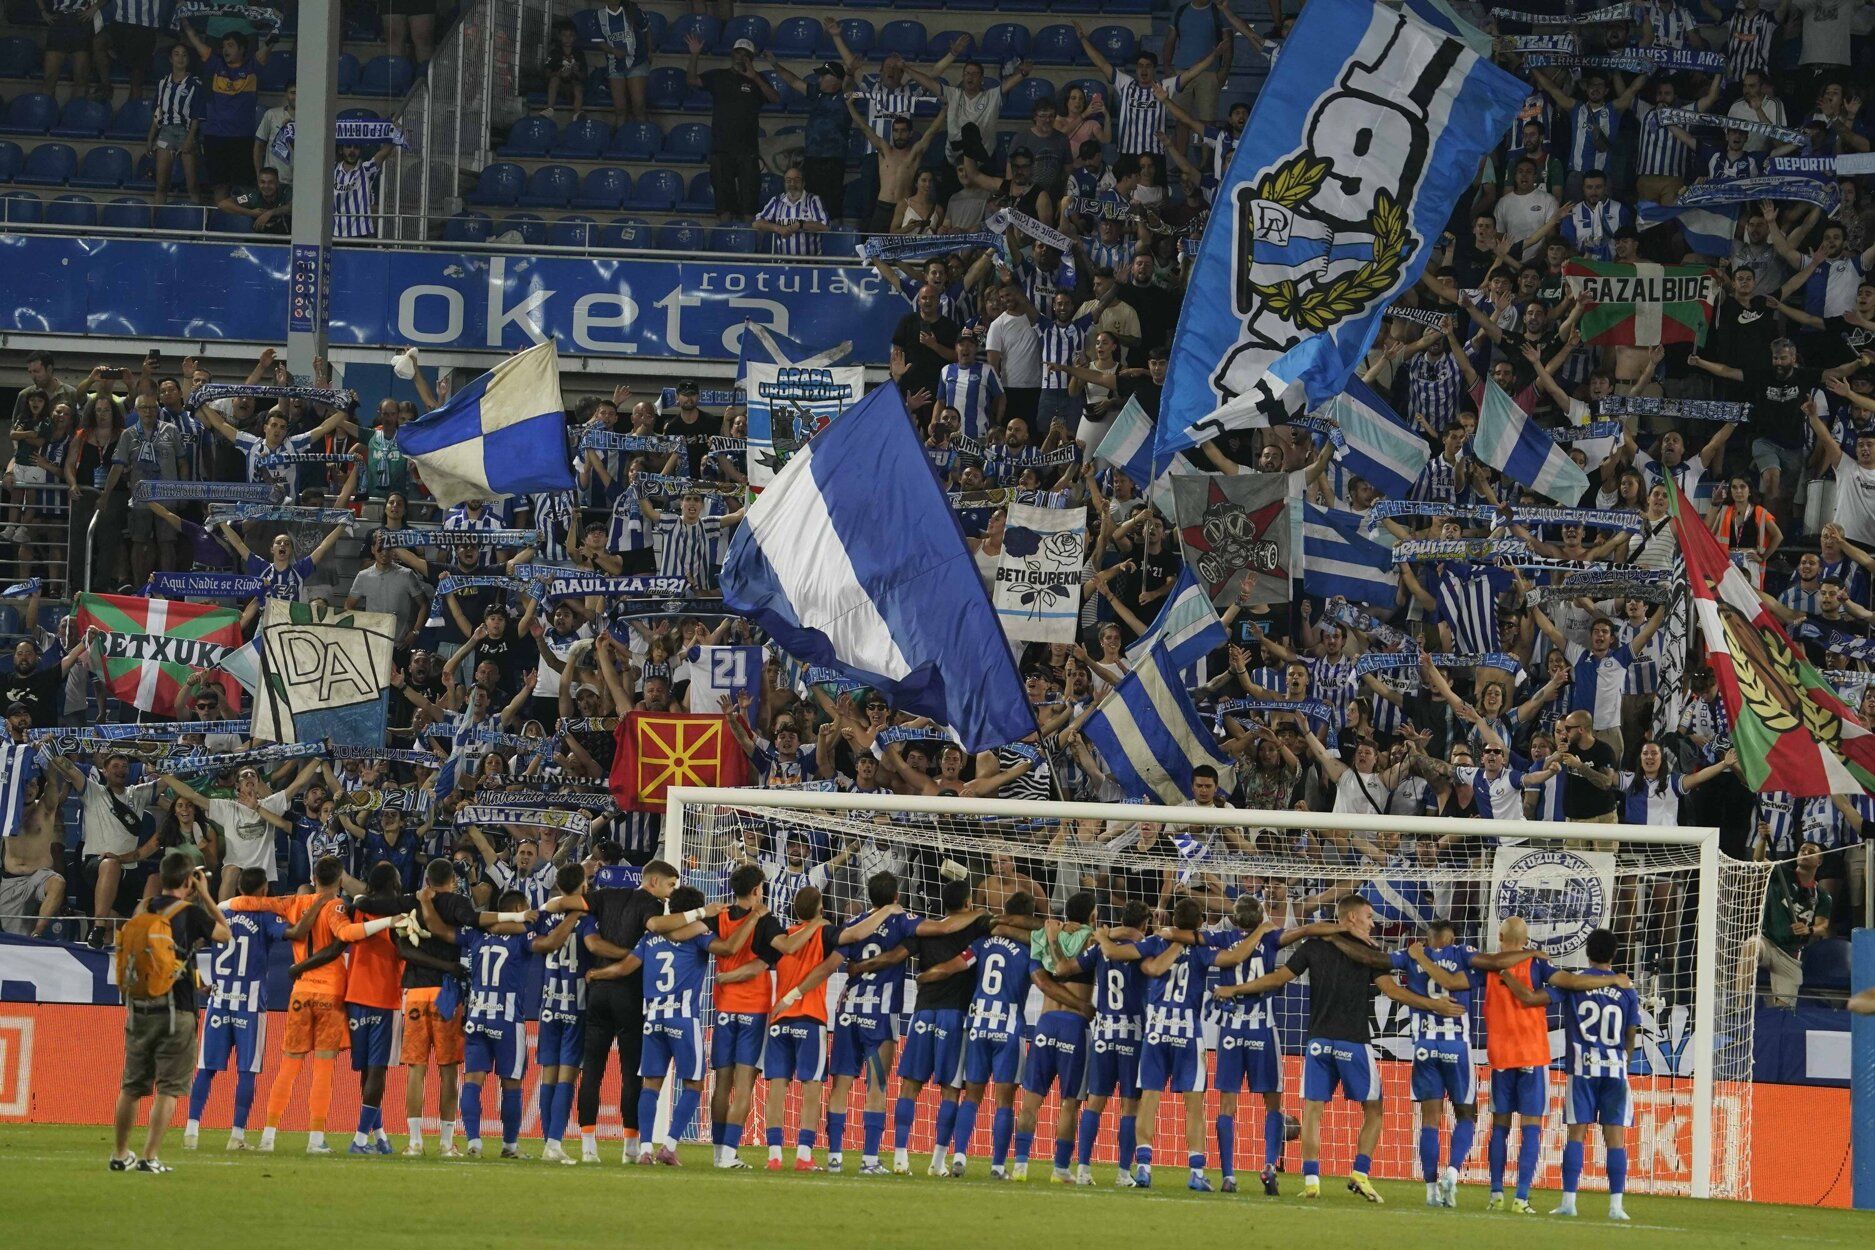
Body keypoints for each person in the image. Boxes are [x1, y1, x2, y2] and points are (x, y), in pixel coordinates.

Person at [1220, 894, 1454, 1202]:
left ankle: (1312, 1181)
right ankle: (1360, 1174)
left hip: (1318, 1042)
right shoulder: (1369, 952)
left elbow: (1277, 979)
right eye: (1369, 917)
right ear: (1352, 917)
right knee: (1374, 1110)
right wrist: (1433, 1005)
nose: (1372, 924)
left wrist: (1235, 988)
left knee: (1312, 1111)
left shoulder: (1314, 946)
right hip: (1353, 1041)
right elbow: (1392, 991)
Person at [1499, 928, 1641, 1220]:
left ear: (1587, 952)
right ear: (1614, 954)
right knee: (1615, 1138)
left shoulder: (1574, 984)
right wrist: (1622, 1063)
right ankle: (1616, 1207)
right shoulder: (1627, 989)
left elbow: (1530, 998)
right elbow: (1631, 1035)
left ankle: (1569, 1202)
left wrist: (1507, 976)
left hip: (1582, 1068)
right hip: (1615, 1069)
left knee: (1576, 1135)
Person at [110, 853, 229, 1174]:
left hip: (139, 1007)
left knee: (131, 1087)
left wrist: (198, 981)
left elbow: (169, 957)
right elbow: (224, 933)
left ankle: (120, 1154)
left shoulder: (143, 909)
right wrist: (205, 894)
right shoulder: (190, 912)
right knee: (168, 1088)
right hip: (177, 1011)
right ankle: (149, 1157)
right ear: (189, 880)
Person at [825, 872, 924, 1174]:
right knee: (877, 1086)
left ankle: (834, 1158)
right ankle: (869, 1160)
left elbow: (836, 960)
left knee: (840, 1085)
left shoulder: (854, 924)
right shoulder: (902, 921)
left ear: (869, 896)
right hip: (879, 1015)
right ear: (896, 896)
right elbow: (930, 931)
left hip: (847, 1011)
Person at [181, 867, 285, 1152]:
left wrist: (198, 981)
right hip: (249, 1003)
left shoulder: (222, 911)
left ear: (238, 887)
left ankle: (191, 1131)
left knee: (206, 1069)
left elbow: (185, 947)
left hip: (218, 999)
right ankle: (236, 1135)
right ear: (264, 889)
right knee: (247, 1071)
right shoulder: (266, 914)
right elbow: (290, 933)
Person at [759, 885, 844, 1170]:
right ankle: (804, 1155)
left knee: (777, 1086)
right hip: (810, 1017)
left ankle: (774, 1155)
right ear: (821, 908)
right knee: (812, 1087)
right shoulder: (825, 933)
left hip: (779, 1020)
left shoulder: (783, 938)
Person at [707, 863, 785, 1169]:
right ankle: (728, 1154)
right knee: (744, 1085)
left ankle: (718, 1153)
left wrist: (725, 977)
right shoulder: (765, 920)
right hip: (753, 1008)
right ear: (756, 890)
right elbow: (760, 965)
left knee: (721, 1084)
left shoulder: (718, 915)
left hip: (724, 1008)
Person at [685, 35, 778, 222]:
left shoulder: (758, 79)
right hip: (722, 148)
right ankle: (725, 236)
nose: (741, 57)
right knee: (724, 208)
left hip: (748, 150)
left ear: (751, 58)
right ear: (732, 54)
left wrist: (755, 77)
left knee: (749, 209)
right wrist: (695, 54)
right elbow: (692, 80)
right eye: (738, 52)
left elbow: (775, 98)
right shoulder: (718, 76)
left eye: (746, 54)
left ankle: (747, 239)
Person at [1759, 839, 1832, 1007]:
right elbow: (1758, 859)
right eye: (1802, 850)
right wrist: (1762, 839)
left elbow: (1823, 927)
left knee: (1784, 1010)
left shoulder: (1822, 895)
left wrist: (1808, 929)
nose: (1805, 853)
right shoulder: (1780, 874)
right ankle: (1739, 1002)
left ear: (1819, 861)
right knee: (1750, 947)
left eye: (1811, 852)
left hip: (1790, 954)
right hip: (1767, 941)